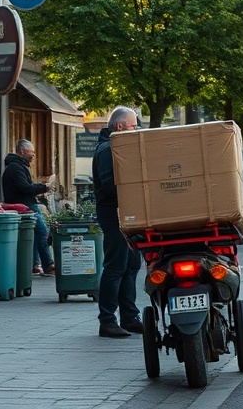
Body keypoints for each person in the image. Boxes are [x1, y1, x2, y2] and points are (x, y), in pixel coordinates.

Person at [92, 106, 143, 338]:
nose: (136, 130)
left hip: (127, 213)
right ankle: (107, 321)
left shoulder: (118, 147)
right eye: (134, 126)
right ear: (120, 126)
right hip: (113, 214)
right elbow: (110, 185)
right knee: (115, 266)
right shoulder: (107, 149)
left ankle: (130, 317)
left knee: (132, 264)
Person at [1, 139, 55, 276]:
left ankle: (34, 264)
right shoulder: (16, 168)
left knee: (36, 233)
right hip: (25, 206)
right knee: (42, 231)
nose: (33, 155)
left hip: (26, 204)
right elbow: (25, 188)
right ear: (22, 151)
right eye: (31, 152)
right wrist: (44, 187)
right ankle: (47, 264)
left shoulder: (18, 167)